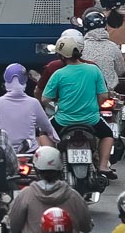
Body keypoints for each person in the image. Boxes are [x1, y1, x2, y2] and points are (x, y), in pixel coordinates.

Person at [40, 29, 113, 178]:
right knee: (108, 134)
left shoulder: (59, 74)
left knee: (43, 133)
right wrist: (93, 106)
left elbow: (44, 99)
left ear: (61, 55)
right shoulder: (93, 70)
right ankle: (104, 166)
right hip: (91, 120)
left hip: (63, 120)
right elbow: (104, 95)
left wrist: (56, 101)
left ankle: (52, 162)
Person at [8, 147, 94, 233]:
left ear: (37, 170)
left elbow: (14, 225)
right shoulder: (73, 196)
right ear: (59, 170)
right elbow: (87, 227)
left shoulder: (26, 195)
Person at [0, 64, 58, 151]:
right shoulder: (33, 103)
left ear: (6, 81)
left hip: (4, 152)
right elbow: (46, 127)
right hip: (29, 152)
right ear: (25, 81)